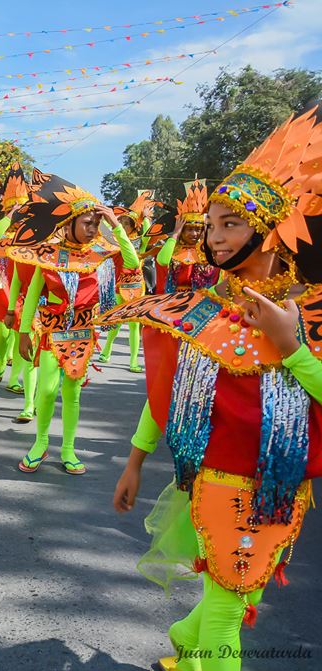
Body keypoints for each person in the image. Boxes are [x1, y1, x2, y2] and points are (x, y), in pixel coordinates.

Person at [106, 101, 322, 671]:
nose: (217, 238)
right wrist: (135, 461)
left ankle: (184, 637)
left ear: (272, 231)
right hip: (220, 480)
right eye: (213, 225)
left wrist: (292, 345)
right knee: (229, 608)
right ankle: (197, 640)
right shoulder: (201, 310)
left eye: (233, 224)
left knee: (239, 593)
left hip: (283, 485)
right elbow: (168, 394)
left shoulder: (312, 311)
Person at [7, 172, 139, 475]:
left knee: (72, 393)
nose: (93, 229)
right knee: (48, 389)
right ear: (70, 223)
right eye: (87, 223)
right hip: (52, 331)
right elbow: (32, 297)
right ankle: (40, 443)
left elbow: (132, 263)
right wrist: (25, 333)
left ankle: (68, 448)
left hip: (82, 333)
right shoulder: (49, 253)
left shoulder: (101, 255)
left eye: (96, 223)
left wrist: (115, 226)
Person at [99, 190, 157, 372]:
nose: (123, 225)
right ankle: (106, 351)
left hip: (136, 286)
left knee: (134, 324)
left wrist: (146, 218)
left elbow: (148, 234)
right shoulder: (114, 239)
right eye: (121, 221)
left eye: (127, 223)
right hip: (118, 284)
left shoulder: (141, 240)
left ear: (134, 226)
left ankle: (133, 361)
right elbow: (103, 231)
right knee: (116, 319)